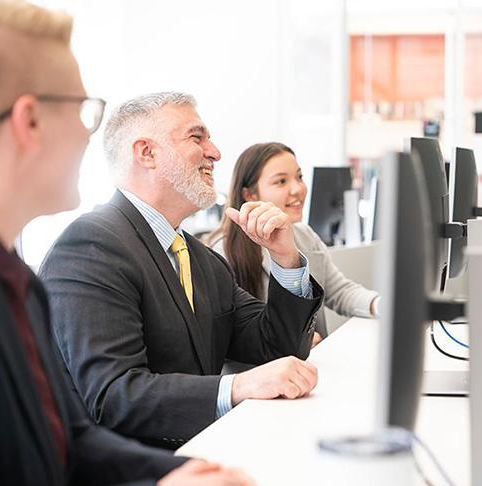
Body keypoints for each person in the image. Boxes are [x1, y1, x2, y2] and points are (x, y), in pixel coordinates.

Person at [0, 2, 260, 486]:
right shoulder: (79, 252)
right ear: (29, 121)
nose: (91, 135)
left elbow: (71, 443)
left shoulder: (16, 283)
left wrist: (179, 473)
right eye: (85, 111)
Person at [39, 92, 323, 449]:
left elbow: (278, 347)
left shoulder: (201, 260)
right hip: (129, 474)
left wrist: (285, 258)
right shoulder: (91, 246)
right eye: (196, 137)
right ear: (147, 153)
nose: (215, 152)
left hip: (201, 453)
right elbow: (113, 396)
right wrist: (238, 387)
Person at [206, 142, 380, 342]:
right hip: (266, 370)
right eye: (281, 181)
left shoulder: (304, 234)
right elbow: (234, 338)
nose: (297, 189)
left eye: (299, 177)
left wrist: (379, 304)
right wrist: (297, 344)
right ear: (249, 194)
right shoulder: (222, 251)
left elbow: (339, 291)